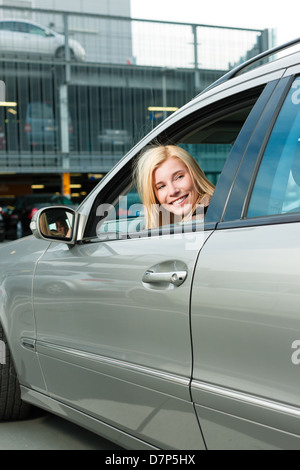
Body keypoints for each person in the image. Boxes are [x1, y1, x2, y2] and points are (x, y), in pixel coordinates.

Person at [134, 145, 215, 229]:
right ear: (153, 195)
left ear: (195, 175)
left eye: (179, 177)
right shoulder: (163, 224)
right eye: (161, 186)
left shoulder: (210, 218)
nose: (172, 191)